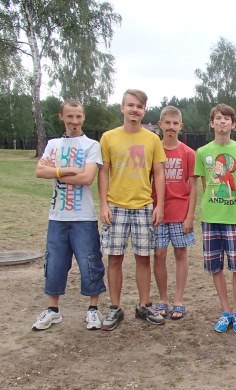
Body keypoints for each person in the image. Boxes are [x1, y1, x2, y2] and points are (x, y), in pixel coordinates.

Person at [33, 99, 106, 331]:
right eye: (70, 116)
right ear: (61, 117)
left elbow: (87, 178)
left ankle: (93, 309)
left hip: (84, 217)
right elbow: (39, 171)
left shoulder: (91, 145)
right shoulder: (53, 144)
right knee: (54, 263)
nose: (74, 121)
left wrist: (54, 172)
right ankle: (52, 310)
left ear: (83, 117)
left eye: (78, 116)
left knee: (90, 263)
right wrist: (67, 170)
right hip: (57, 216)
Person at [98, 89, 167, 330]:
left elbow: (159, 173)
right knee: (114, 258)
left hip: (143, 207)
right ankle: (115, 307)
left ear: (144, 110)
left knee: (143, 258)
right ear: (122, 108)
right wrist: (104, 204)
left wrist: (159, 205)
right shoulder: (108, 137)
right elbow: (103, 172)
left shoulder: (152, 139)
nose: (134, 110)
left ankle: (144, 305)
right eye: (130, 105)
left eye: (139, 106)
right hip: (115, 207)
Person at [194, 104, 236, 333]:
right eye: (218, 118)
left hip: (234, 218)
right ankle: (225, 311)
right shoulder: (202, 152)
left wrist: (230, 197)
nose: (222, 122)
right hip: (211, 218)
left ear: (233, 124)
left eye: (227, 118)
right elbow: (205, 184)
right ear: (212, 123)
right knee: (215, 266)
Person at [153, 105, 197, 321]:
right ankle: (163, 299)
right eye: (167, 123)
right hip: (158, 213)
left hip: (181, 213)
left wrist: (190, 215)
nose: (171, 127)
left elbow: (194, 186)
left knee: (181, 253)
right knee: (159, 254)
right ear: (160, 124)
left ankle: (179, 300)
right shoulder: (153, 150)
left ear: (181, 126)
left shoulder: (188, 153)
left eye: (175, 123)